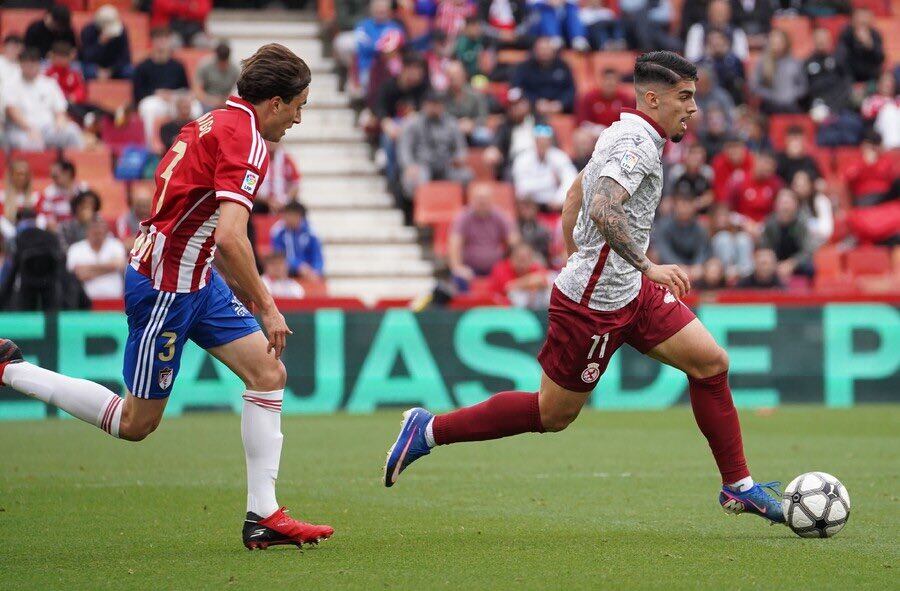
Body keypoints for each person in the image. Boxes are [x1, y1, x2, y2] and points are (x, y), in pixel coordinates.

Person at [383, 51, 786, 525]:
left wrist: (581, 245)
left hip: (628, 289)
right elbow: (603, 205)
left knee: (711, 363)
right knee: (553, 414)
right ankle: (429, 429)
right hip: (594, 305)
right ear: (653, 99)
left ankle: (737, 486)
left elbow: (579, 190)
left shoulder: (621, 131)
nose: (693, 108)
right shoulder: (635, 145)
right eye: (685, 97)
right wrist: (646, 265)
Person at [0, 44, 334, 549]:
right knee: (136, 423)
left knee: (268, 372)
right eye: (298, 106)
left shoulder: (218, 119)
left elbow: (208, 234)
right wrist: (267, 306)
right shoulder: (248, 141)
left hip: (195, 275)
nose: (298, 118)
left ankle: (263, 515)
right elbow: (230, 238)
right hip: (166, 287)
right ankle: (9, 368)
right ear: (274, 103)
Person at [3, 48, 83, 151]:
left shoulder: (49, 83)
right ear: (21, 65)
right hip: (21, 130)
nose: (30, 67)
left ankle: (72, 166)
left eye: (33, 64)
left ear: (38, 65)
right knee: (33, 144)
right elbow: (11, 110)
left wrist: (60, 122)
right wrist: (29, 128)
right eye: (27, 64)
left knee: (72, 131)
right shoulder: (10, 84)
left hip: (48, 128)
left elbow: (60, 109)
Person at [397, 90, 472, 201]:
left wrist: (460, 158)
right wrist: (409, 166)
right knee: (414, 179)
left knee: (466, 175)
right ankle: (416, 214)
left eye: (438, 104)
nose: (435, 108)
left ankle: (454, 211)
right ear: (424, 105)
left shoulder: (451, 123)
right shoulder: (413, 123)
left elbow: (461, 148)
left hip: (446, 165)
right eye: (432, 104)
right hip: (422, 164)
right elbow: (404, 149)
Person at [448, 181, 518, 288]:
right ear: (471, 200)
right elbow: (454, 244)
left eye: (485, 200)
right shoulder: (463, 217)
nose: (482, 203)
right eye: (478, 199)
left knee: (511, 281)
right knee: (458, 280)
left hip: (496, 267)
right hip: (470, 267)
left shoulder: (500, 216)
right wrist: (457, 267)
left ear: (492, 200)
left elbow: (514, 241)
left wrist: (509, 264)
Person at [133, 28, 195, 146]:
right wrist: (156, 94)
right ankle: (152, 147)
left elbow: (186, 88)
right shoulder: (142, 67)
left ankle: (193, 144)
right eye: (158, 39)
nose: (162, 43)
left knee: (195, 107)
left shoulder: (178, 65)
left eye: (165, 39)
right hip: (154, 100)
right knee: (148, 108)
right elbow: (138, 94)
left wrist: (176, 96)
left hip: (175, 99)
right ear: (152, 42)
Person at [0, 209, 65, 310]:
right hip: (49, 284)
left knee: (27, 315)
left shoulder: (17, 237)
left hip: (27, 285)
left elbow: (9, 271)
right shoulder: (50, 237)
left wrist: (2, 301)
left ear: (18, 221)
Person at [510, 124, 577, 211]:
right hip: (531, 207)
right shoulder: (522, 159)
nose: (543, 144)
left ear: (550, 142)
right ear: (534, 141)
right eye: (540, 141)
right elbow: (522, 189)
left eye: (546, 141)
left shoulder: (560, 156)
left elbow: (571, 180)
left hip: (555, 206)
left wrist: (558, 199)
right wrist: (551, 180)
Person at [510, 36, 576, 116]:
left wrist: (561, 103)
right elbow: (517, 89)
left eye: (547, 49)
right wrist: (535, 102)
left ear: (553, 51)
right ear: (535, 50)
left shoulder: (563, 66)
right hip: (533, 108)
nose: (544, 52)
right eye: (541, 49)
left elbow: (570, 89)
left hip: (560, 107)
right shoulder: (524, 67)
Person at [652, 191, 710, 281]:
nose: (684, 209)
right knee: (654, 256)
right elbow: (664, 250)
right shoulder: (664, 225)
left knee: (712, 267)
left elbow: (703, 250)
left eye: (688, 205)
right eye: (681, 204)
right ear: (675, 206)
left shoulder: (700, 227)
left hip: (694, 269)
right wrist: (678, 266)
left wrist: (697, 265)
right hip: (670, 266)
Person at [66, 217, 127, 300]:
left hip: (114, 301)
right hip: (84, 304)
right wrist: (111, 267)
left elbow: (120, 265)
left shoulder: (116, 245)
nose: (98, 232)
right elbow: (79, 274)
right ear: (87, 230)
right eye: (95, 229)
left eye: (101, 229)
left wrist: (89, 269)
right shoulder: (76, 248)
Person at [759, 189, 813, 282]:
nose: (785, 207)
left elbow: (807, 251)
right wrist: (773, 264)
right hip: (774, 263)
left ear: (796, 205)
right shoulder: (770, 223)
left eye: (788, 203)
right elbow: (764, 248)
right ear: (776, 205)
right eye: (782, 203)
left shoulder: (802, 223)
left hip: (796, 262)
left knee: (810, 267)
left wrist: (791, 264)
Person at [750, 29, 806, 114]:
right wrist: (771, 95)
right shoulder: (763, 62)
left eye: (779, 42)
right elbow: (754, 86)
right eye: (774, 42)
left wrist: (792, 94)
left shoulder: (795, 62)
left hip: (791, 103)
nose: (777, 45)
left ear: (786, 43)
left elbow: (803, 86)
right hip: (769, 104)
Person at [269, 201, 324, 282]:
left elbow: (317, 256)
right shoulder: (278, 231)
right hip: (287, 272)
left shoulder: (311, 232)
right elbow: (278, 255)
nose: (287, 218)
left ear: (299, 216)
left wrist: (315, 271)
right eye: (286, 215)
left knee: (318, 278)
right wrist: (298, 266)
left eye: (291, 215)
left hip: (309, 273)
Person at [804, 27, 852, 116]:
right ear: (814, 41)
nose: (821, 42)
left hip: (839, 103)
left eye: (824, 39)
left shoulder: (839, 59)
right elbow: (806, 88)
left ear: (830, 41)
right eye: (818, 39)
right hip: (818, 103)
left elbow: (847, 81)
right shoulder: (808, 62)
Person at [488, 242, 551, 309]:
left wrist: (529, 284)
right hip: (499, 310)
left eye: (524, 260)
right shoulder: (500, 268)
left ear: (531, 260)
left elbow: (542, 280)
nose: (522, 264)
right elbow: (508, 287)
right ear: (511, 258)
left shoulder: (534, 267)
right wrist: (530, 282)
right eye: (519, 259)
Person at [79, 4, 132, 80]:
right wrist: (100, 43)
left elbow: (125, 57)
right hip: (94, 67)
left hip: (114, 67)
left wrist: (111, 70)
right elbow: (86, 57)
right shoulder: (88, 31)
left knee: (129, 71)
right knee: (84, 70)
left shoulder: (121, 31)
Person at [729, 150, 783, 226]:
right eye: (764, 163)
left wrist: (765, 225)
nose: (767, 167)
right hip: (742, 227)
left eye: (771, 166)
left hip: (766, 227)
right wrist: (744, 223)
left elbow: (779, 211)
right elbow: (728, 211)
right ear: (756, 161)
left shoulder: (776, 185)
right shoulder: (739, 180)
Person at [684, 0, 749, 62]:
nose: (719, 16)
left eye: (722, 12)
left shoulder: (737, 32)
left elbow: (743, 59)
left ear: (729, 14)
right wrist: (708, 54)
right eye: (716, 12)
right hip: (704, 70)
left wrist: (726, 52)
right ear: (709, 13)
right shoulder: (697, 29)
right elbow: (691, 58)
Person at [837, 7, 884, 83]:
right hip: (850, 75)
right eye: (860, 18)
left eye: (866, 19)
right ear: (853, 20)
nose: (862, 21)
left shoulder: (875, 35)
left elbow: (880, 59)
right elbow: (840, 58)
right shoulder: (846, 34)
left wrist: (870, 46)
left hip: (871, 76)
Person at [667, 142, 714, 213]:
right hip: (679, 209)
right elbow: (671, 194)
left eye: (700, 154)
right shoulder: (677, 171)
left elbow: (710, 196)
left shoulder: (707, 172)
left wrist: (694, 205)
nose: (697, 157)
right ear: (687, 155)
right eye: (694, 153)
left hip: (699, 210)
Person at [256, 141, 301, 213]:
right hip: (261, 202)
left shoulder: (287, 160)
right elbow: (249, 183)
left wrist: (285, 200)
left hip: (283, 203)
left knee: (297, 209)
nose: (271, 143)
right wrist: (267, 201)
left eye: (274, 141)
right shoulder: (256, 159)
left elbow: (296, 185)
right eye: (269, 140)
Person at [38, 159, 88, 224]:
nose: (52, 179)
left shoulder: (84, 189)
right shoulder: (49, 193)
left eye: (55, 176)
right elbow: (48, 218)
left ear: (67, 173)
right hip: (59, 230)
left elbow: (91, 213)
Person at [195, 42, 240, 111]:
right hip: (207, 100)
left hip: (226, 101)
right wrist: (212, 101)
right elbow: (198, 92)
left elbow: (237, 92)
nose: (222, 65)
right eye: (220, 62)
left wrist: (227, 100)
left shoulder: (235, 69)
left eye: (225, 63)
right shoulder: (204, 65)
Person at [116, 183, 154, 252]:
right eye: (140, 205)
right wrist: (150, 239)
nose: (144, 209)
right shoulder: (124, 220)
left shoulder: (157, 219)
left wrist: (135, 239)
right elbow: (124, 245)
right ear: (134, 205)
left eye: (146, 206)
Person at [516, 196, 551, 263]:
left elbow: (545, 250)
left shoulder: (542, 228)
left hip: (537, 256)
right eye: (523, 209)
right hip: (519, 256)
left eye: (528, 208)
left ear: (534, 209)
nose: (526, 212)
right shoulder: (517, 225)